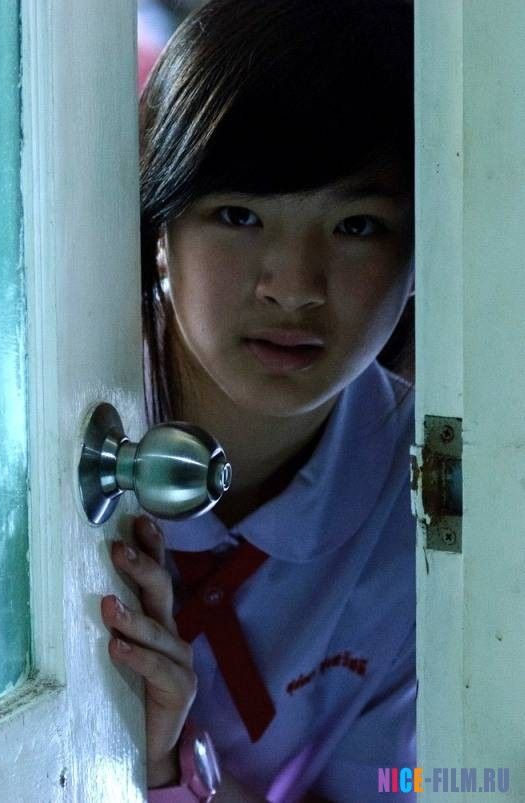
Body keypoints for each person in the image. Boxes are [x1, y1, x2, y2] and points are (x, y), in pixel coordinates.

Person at [99, 1, 416, 801]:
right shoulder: (68, 418)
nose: (293, 287)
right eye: (238, 215)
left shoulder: (429, 498)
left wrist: (173, 773)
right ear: (159, 230)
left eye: (356, 225)